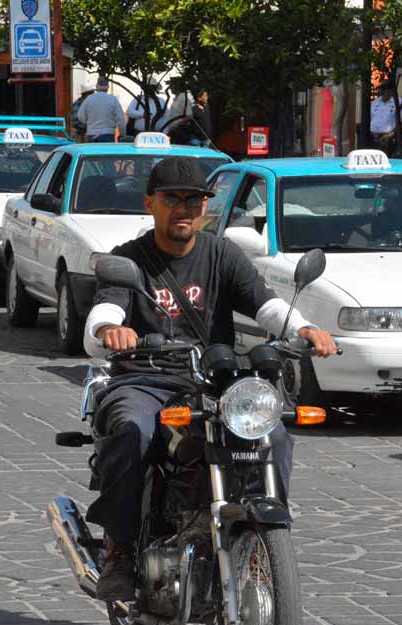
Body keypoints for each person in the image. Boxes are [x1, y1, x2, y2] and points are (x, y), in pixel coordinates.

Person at [82, 157, 338, 600]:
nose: (183, 209)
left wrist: (302, 328)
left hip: (210, 382)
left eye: (194, 201)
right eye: (171, 199)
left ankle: (262, 535)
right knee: (131, 430)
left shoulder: (221, 254)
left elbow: (265, 303)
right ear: (151, 203)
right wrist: (110, 330)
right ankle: (119, 549)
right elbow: (106, 308)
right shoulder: (129, 259)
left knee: (272, 434)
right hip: (145, 379)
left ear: (206, 208)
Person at [77, 76, 125, 143]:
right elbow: (121, 119)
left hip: (92, 133)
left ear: (96, 86)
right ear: (108, 87)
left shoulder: (89, 99)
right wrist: (122, 134)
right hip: (108, 133)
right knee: (106, 153)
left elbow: (80, 116)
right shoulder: (113, 99)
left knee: (92, 153)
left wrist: (89, 123)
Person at [370, 82, 400, 148]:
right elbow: (372, 117)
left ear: (391, 91)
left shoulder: (398, 102)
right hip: (373, 137)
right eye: (381, 90)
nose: (382, 92)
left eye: (385, 90)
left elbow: (401, 121)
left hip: (389, 138)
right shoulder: (375, 103)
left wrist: (391, 134)